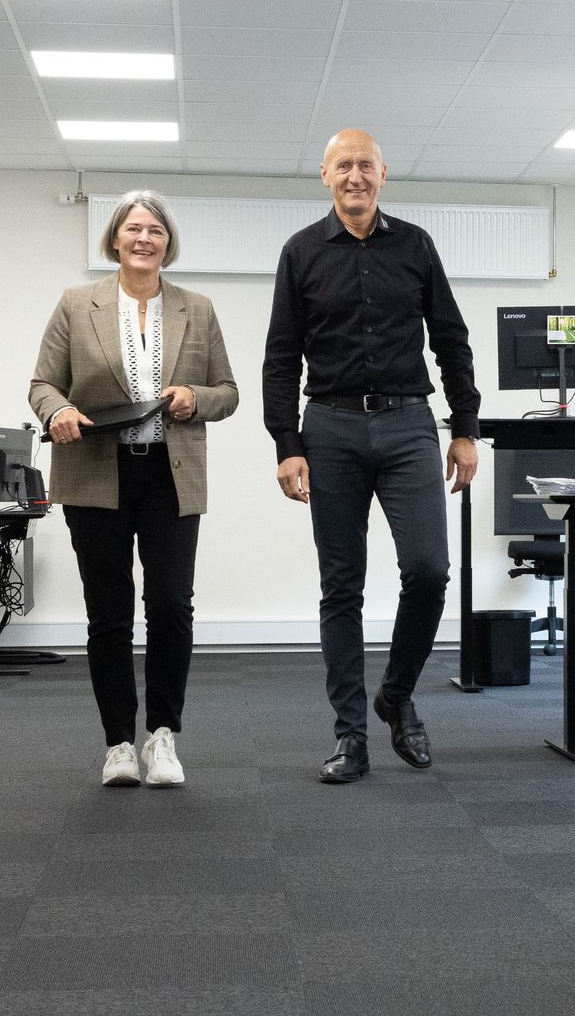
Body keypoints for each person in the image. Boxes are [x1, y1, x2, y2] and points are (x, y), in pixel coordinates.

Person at [263, 129, 481, 785]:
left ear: (383, 173)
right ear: (324, 176)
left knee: (429, 569)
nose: (355, 176)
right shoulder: (301, 252)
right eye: (343, 166)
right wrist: (287, 445)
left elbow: (451, 339)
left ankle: (396, 694)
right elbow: (280, 357)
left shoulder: (414, 246)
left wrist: (464, 427)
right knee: (342, 587)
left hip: (408, 423)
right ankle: (350, 736)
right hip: (328, 429)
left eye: (365, 165)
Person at [29, 190, 238, 788]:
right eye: (133, 229)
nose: (144, 239)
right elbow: (43, 383)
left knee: (172, 606)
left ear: (167, 243)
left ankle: (163, 736)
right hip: (97, 471)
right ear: (114, 240)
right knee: (109, 613)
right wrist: (58, 411)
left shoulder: (196, 309)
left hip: (170, 475)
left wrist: (198, 398)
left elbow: (228, 390)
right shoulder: (77, 304)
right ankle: (119, 742)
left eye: (156, 231)